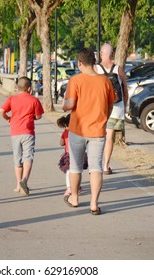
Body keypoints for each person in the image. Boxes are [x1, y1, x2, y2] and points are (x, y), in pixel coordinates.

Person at [62, 48, 116, 215]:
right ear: (93, 61)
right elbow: (110, 105)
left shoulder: (75, 80)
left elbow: (70, 104)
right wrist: (104, 119)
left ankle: (75, 198)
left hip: (78, 129)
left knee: (76, 166)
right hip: (98, 131)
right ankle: (94, 203)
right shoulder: (105, 81)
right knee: (96, 168)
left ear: (79, 63)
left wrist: (64, 106)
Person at [0, 76, 44, 196]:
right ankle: (25, 180)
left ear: (17, 87)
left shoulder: (12, 98)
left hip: (15, 131)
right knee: (28, 157)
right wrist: (32, 117)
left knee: (17, 158)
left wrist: (8, 118)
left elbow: (1, 111)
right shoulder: (34, 100)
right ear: (29, 88)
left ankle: (18, 185)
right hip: (28, 132)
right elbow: (39, 116)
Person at [94, 43, 128, 175]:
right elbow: (125, 90)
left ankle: (96, 163)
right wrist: (124, 106)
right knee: (110, 137)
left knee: (98, 136)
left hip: (100, 107)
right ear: (112, 54)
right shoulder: (118, 69)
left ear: (101, 54)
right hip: (116, 107)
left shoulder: (96, 69)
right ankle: (105, 165)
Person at [57, 115, 86, 202]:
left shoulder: (65, 132)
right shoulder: (79, 131)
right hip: (80, 153)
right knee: (78, 171)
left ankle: (69, 188)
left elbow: (61, 143)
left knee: (69, 172)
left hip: (68, 155)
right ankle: (78, 187)